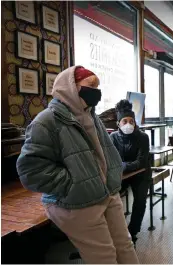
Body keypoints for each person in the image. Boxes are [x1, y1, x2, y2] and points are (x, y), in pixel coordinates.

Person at [16, 66, 139, 264]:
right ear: (71, 86)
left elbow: (104, 153)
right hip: (78, 202)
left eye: (98, 86)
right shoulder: (47, 121)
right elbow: (31, 171)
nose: (96, 91)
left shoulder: (90, 115)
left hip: (106, 192)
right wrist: (74, 183)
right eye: (91, 85)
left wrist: (112, 175)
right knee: (103, 257)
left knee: (125, 245)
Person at [110, 99, 151, 246]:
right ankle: (116, 232)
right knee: (110, 197)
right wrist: (122, 167)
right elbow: (112, 160)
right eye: (124, 121)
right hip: (123, 175)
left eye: (131, 121)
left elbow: (141, 162)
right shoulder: (113, 137)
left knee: (140, 200)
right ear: (118, 123)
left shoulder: (143, 137)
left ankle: (133, 232)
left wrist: (123, 166)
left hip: (141, 174)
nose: (128, 124)